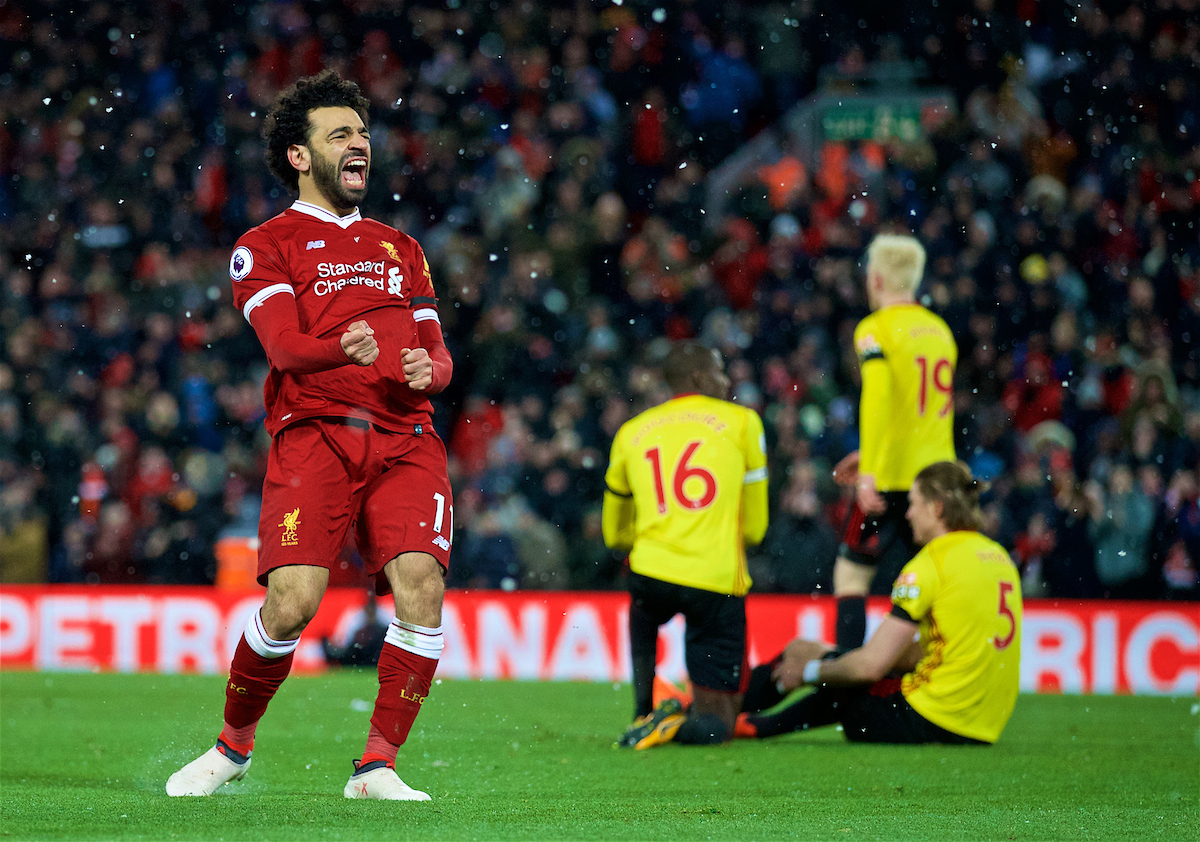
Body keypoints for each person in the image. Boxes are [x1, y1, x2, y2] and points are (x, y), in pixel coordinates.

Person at [166, 70, 454, 801]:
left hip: (406, 437)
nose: (360, 145)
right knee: (293, 601)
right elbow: (286, 349)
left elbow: (438, 349)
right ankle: (231, 748)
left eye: (363, 134)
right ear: (300, 156)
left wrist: (432, 368)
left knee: (421, 589)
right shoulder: (265, 245)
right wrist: (340, 349)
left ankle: (377, 766)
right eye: (341, 135)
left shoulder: (402, 247)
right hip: (316, 433)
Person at [737, 461, 1022, 746]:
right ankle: (742, 716)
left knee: (830, 671)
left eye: (913, 504)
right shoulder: (999, 558)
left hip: (933, 719)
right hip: (984, 727)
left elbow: (868, 669)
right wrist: (839, 659)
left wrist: (810, 671)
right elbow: (927, 649)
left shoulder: (932, 563)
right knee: (820, 657)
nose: (908, 514)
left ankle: (741, 717)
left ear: (936, 508)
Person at [602, 342, 769, 749]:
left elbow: (614, 534)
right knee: (717, 724)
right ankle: (679, 720)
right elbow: (756, 529)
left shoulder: (632, 431)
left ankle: (643, 709)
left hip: (651, 573)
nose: (727, 379)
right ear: (698, 378)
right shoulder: (743, 422)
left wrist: (643, 544)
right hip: (714, 582)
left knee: (642, 610)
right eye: (719, 370)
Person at [831, 233, 958, 652]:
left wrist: (870, 470)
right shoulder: (940, 332)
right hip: (936, 482)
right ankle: (927, 674)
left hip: (889, 478)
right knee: (925, 581)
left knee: (851, 576)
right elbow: (919, 413)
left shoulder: (874, 330)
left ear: (879, 281)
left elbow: (880, 399)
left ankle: (848, 682)